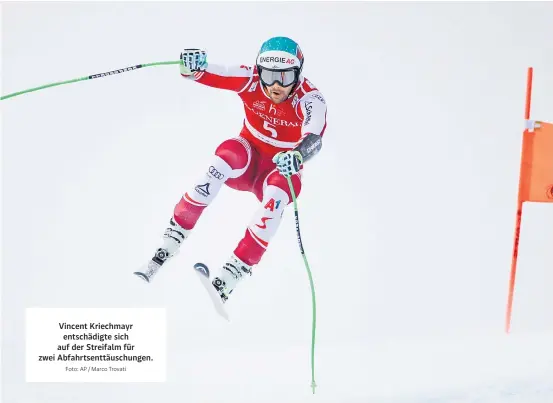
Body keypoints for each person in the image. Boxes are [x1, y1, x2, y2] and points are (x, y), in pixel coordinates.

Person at [136, 36, 328, 305]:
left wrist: (297, 155)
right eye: (269, 76)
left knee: (281, 188)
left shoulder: (309, 98)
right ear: (259, 71)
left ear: (298, 75)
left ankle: (233, 273)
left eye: (285, 78)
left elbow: (314, 136)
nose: (275, 86)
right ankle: (173, 237)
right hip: (246, 164)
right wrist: (190, 66)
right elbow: (214, 73)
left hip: (277, 170)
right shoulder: (251, 80)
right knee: (228, 152)